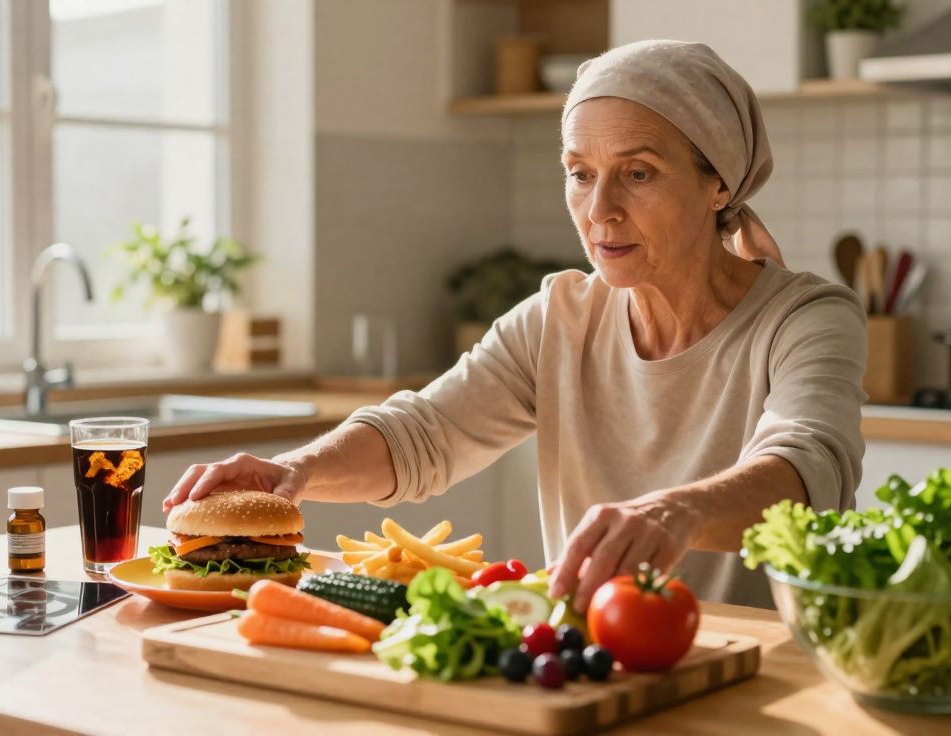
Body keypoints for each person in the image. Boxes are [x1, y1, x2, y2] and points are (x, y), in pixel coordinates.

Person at [164, 40, 867, 611]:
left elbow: (807, 472)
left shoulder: (805, 318)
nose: (600, 209)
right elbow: (423, 433)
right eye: (580, 173)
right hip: (591, 662)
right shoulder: (558, 319)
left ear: (720, 184)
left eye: (638, 174)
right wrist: (295, 469)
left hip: (760, 671)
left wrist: (670, 514)